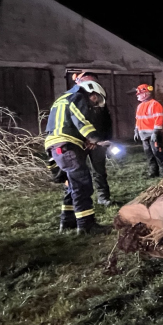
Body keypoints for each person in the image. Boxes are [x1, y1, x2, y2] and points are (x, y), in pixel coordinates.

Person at [44, 80, 110, 235]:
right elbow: (81, 120)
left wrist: (85, 141)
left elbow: (64, 123)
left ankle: (67, 221)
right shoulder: (78, 97)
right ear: (92, 92)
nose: (94, 104)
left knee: (72, 186)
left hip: (56, 146)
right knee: (82, 185)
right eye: (95, 99)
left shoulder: (61, 99)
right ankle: (86, 225)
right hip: (67, 146)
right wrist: (95, 139)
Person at [68, 71, 114, 205]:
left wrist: (102, 140)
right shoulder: (75, 101)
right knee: (78, 173)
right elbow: (74, 123)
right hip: (80, 143)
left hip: (97, 142)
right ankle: (78, 200)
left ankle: (103, 197)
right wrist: (86, 140)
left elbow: (106, 123)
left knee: (100, 171)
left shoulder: (101, 103)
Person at [134, 84, 163, 178]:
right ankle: (153, 172)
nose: (137, 96)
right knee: (149, 154)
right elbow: (138, 119)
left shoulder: (155, 104)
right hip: (143, 134)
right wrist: (136, 130)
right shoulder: (140, 106)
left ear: (145, 94)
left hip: (153, 134)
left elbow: (159, 119)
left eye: (139, 94)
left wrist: (155, 132)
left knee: (157, 153)